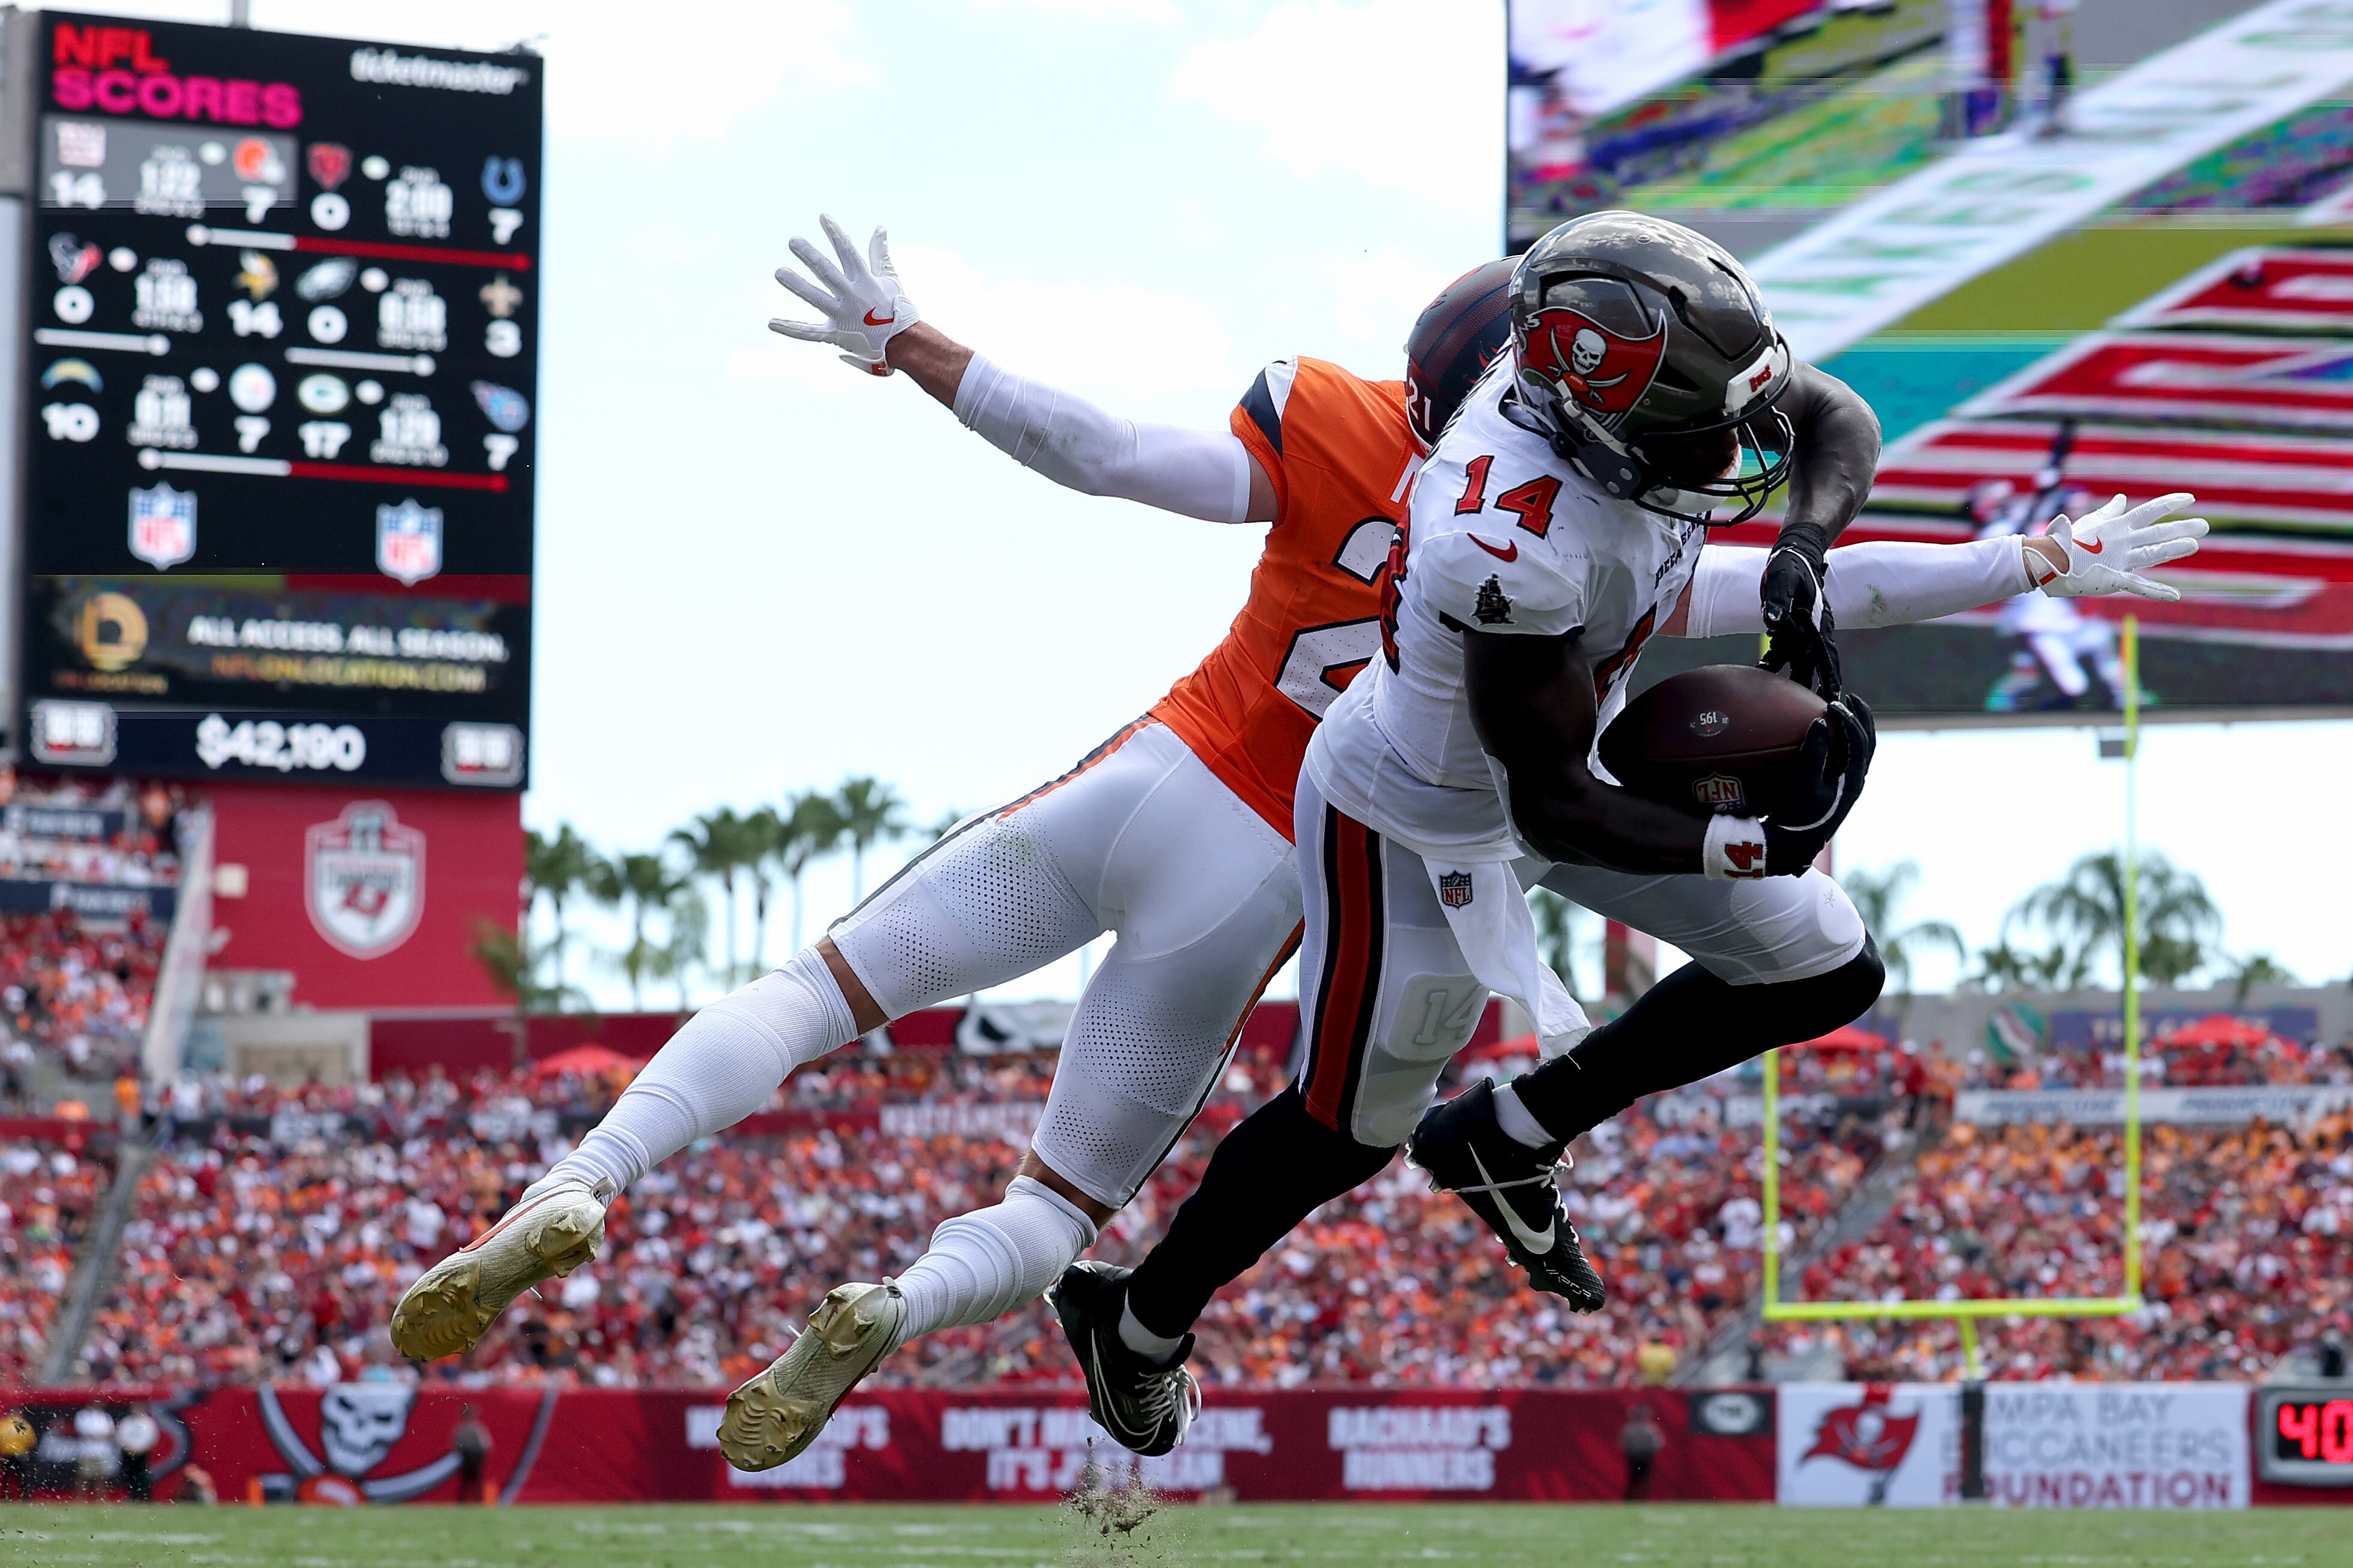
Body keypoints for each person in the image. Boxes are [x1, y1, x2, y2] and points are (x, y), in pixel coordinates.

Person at [1056, 211, 2208, 1454]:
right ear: (1594, 428)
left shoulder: (1624, 385)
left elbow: (1829, 415)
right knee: (1352, 1122)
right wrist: (1742, 845)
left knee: (1824, 965)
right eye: (1696, 428)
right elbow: (1546, 803)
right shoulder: (1505, 532)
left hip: (1567, 753)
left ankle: (1509, 1131)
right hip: (1419, 817)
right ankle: (1138, 1322)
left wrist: (1830, 553)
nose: (1728, 446)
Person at [391, 216, 1524, 1470]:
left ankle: (582, 1179)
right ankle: (894, 1305)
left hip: (1153, 780)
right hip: (1260, 884)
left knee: (814, 992)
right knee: (1054, 1210)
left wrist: (908, 342)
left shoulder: (1341, 418)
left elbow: (1104, 456)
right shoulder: (1572, 550)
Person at [115, 1403, 159, 1503]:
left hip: (142, 1454)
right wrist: (128, 1449)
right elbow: (120, 1437)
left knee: (142, 1475)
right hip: (128, 1453)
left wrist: (140, 1450)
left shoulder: (148, 1423)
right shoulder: (127, 1422)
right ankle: (132, 1496)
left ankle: (144, 1496)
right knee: (130, 1475)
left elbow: (152, 1439)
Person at [1620, 1403, 1663, 1501]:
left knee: (1638, 1480)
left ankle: (1635, 1499)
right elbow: (1657, 1444)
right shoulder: (1649, 1429)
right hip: (1640, 1457)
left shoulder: (1631, 1429)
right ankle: (1637, 1499)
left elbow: (1623, 1444)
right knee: (1639, 1480)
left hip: (1638, 1457)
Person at [73, 1401, 114, 1499]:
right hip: (87, 1451)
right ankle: (80, 1498)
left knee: (101, 1476)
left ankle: (101, 1498)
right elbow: (82, 1432)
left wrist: (96, 1436)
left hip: (102, 1451)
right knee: (83, 1475)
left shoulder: (105, 1417)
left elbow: (110, 1433)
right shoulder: (83, 1416)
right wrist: (97, 1436)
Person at [452, 1405, 491, 1503]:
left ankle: (478, 1500)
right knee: (466, 1481)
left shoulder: (477, 1428)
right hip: (466, 1456)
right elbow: (456, 1444)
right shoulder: (462, 1429)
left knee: (476, 1480)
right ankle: (465, 1501)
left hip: (476, 1456)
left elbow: (486, 1445)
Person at [0, 1408, 35, 1500]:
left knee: (7, 1477)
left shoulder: (4, 1424)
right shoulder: (22, 1424)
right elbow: (31, 1439)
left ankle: (6, 1497)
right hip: (20, 1454)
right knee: (23, 1477)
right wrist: (26, 1449)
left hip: (7, 1455)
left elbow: (1, 1438)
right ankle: (25, 1496)